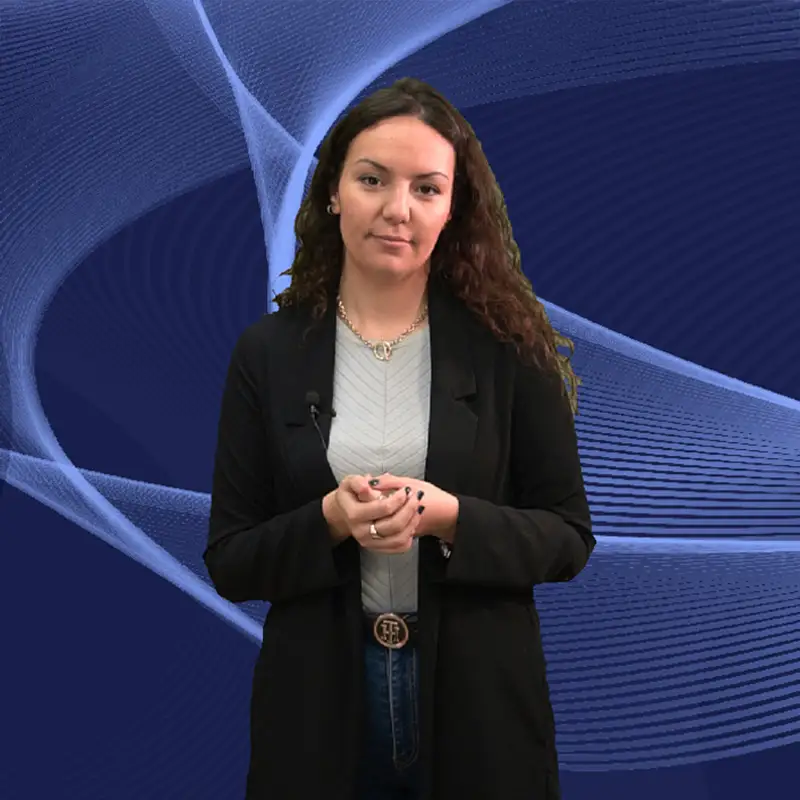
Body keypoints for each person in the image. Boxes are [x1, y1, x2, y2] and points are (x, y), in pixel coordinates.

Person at [204, 77, 594, 800]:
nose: (397, 209)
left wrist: (450, 517)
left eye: (426, 188)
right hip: (318, 702)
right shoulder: (267, 353)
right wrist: (329, 519)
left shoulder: (510, 348)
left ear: (453, 208)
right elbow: (230, 559)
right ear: (333, 192)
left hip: (478, 703)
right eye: (372, 180)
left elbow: (568, 537)